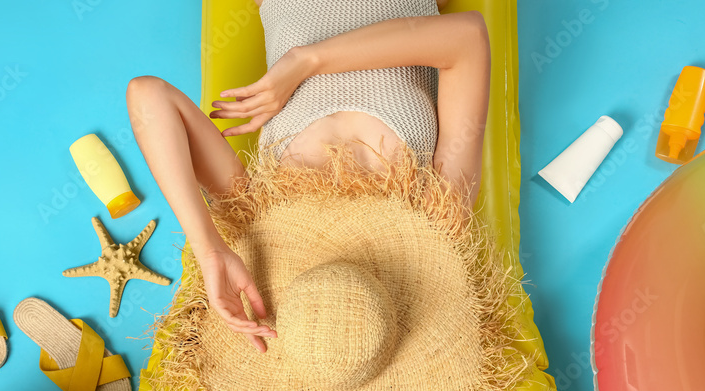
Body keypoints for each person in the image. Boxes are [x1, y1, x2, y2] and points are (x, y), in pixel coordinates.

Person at [125, 0, 490, 354]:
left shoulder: (261, 217)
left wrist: (210, 250)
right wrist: (304, 62)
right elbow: (467, 38)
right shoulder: (434, 219)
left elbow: (147, 96)